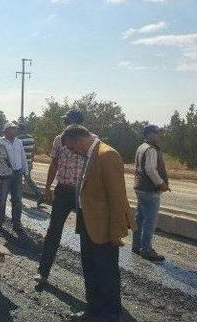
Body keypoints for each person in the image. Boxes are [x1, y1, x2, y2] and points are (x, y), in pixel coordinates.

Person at [62, 125, 135, 322]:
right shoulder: (89, 155)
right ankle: (93, 311)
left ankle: (110, 315)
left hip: (104, 228)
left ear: (79, 140)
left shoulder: (107, 155)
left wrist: (116, 232)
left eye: (71, 147)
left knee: (106, 273)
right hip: (88, 224)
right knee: (91, 270)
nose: (72, 151)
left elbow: (117, 198)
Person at [34, 110, 85, 285]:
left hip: (84, 192)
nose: (65, 124)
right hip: (63, 190)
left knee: (87, 234)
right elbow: (54, 163)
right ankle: (43, 272)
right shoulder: (59, 140)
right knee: (54, 231)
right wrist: (47, 188)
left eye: (68, 121)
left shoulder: (91, 141)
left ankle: (92, 282)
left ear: (76, 122)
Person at [132, 125, 170, 262]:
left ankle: (136, 245)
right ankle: (146, 249)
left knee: (140, 218)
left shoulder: (141, 147)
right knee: (150, 221)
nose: (159, 135)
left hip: (140, 187)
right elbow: (150, 170)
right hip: (149, 190)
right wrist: (161, 184)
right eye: (157, 133)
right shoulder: (151, 150)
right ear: (149, 134)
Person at [0, 121, 29, 232]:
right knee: (2, 199)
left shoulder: (19, 142)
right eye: (13, 129)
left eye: (16, 129)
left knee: (17, 199)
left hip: (18, 173)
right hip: (5, 175)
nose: (15, 131)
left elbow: (23, 157)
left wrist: (26, 172)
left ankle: (16, 223)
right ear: (6, 131)